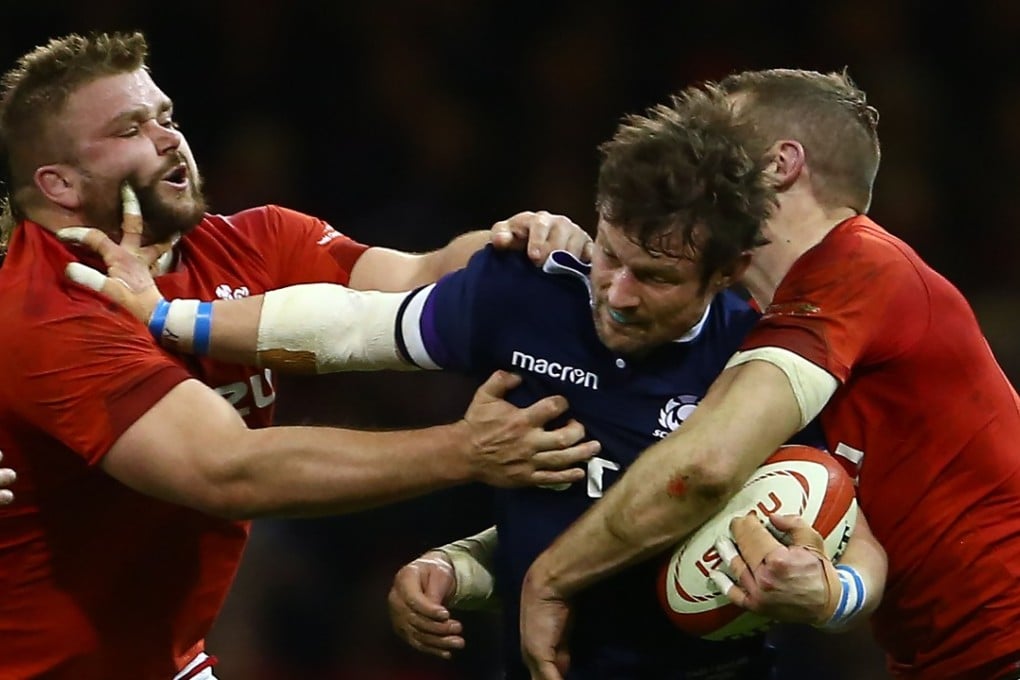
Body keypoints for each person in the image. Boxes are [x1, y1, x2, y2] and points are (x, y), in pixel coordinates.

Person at [62, 85, 887, 679]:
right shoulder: (529, 292)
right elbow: (352, 328)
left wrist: (830, 594)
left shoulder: (766, 365)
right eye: (609, 253)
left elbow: (863, 544)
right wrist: (170, 317)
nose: (617, 292)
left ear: (730, 271)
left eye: (655, 277)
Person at [0, 30, 600, 680]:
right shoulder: (46, 308)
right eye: (130, 129)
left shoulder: (253, 241)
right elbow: (225, 471)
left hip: (165, 662)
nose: (169, 138)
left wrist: (516, 243)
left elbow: (419, 278)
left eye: (166, 117)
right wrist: (465, 449)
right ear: (58, 183)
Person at [509, 69, 1020, 680]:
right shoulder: (758, 322)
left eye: (721, 137)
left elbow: (702, 470)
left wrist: (550, 580)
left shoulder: (861, 266)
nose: (694, 154)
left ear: (781, 164)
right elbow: (633, 482)